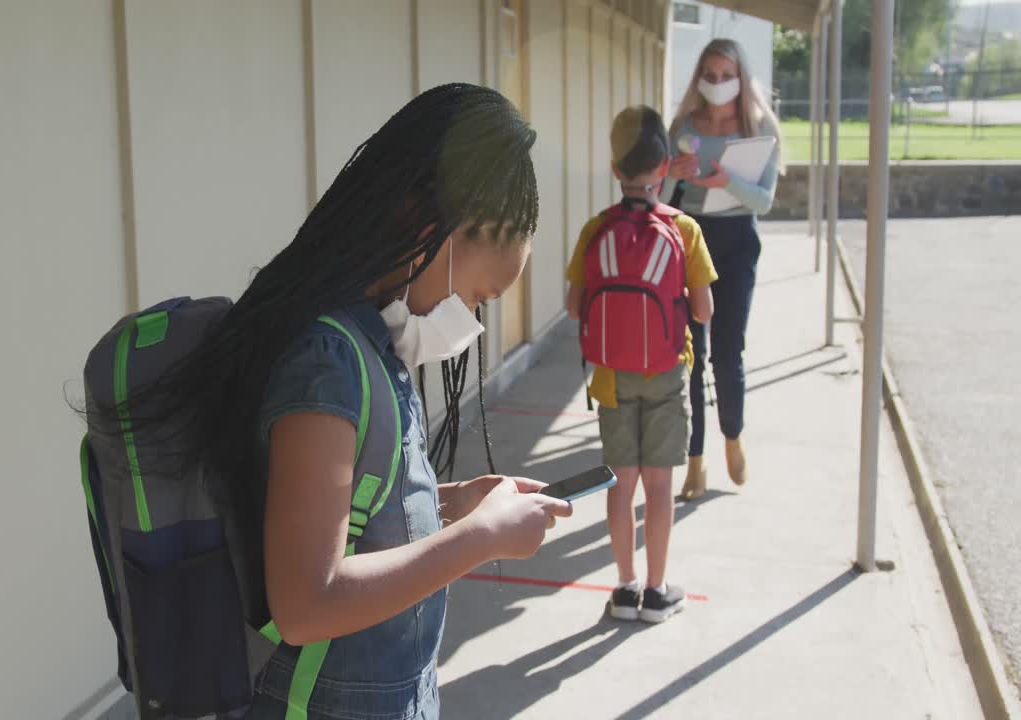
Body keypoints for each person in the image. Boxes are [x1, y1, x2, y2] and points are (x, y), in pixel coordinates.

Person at [98, 84, 572, 720]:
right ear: (432, 231)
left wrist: (451, 507)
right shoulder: (328, 366)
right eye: (479, 296)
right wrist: (481, 541)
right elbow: (306, 603)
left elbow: (348, 519)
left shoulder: (374, 344)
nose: (471, 320)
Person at [565, 106, 716, 623]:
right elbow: (704, 310)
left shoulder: (595, 229)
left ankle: (624, 587)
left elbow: (573, 305)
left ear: (615, 168)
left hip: (610, 378)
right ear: (665, 166)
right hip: (668, 374)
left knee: (621, 484)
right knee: (658, 486)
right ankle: (657, 591)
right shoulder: (685, 230)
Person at [661, 38, 783, 501]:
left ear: (741, 76)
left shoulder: (759, 126)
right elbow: (664, 193)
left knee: (728, 353)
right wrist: (677, 170)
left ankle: (733, 436)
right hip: (691, 240)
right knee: (690, 356)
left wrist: (726, 179)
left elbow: (765, 201)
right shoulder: (685, 126)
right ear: (698, 78)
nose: (716, 84)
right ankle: (695, 460)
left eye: (725, 75)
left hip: (737, 244)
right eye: (708, 76)